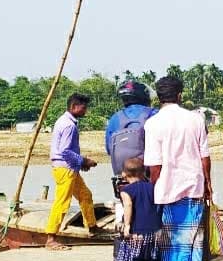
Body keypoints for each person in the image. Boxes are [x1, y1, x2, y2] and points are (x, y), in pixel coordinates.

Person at [143, 76, 213, 261]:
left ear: (159, 97)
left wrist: (154, 185)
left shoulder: (153, 123)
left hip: (167, 186)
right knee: (195, 230)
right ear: (179, 95)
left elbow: (154, 165)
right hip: (194, 183)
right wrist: (208, 182)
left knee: (170, 232)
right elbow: (205, 156)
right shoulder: (195, 119)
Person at [45, 93, 99, 251]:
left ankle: (92, 226)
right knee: (62, 202)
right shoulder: (68, 125)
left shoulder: (65, 121)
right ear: (74, 107)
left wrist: (80, 163)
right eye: (83, 108)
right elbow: (65, 151)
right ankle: (51, 237)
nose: (85, 111)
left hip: (69, 167)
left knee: (85, 195)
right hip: (65, 168)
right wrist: (84, 161)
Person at [114, 157, 161, 261]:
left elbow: (128, 206)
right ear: (143, 172)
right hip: (154, 231)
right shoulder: (152, 187)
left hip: (137, 231)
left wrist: (127, 225)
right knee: (147, 259)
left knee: (132, 259)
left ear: (124, 174)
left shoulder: (126, 190)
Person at [105, 81, 158, 176]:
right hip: (148, 172)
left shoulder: (114, 118)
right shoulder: (153, 113)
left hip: (123, 174)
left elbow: (109, 149)